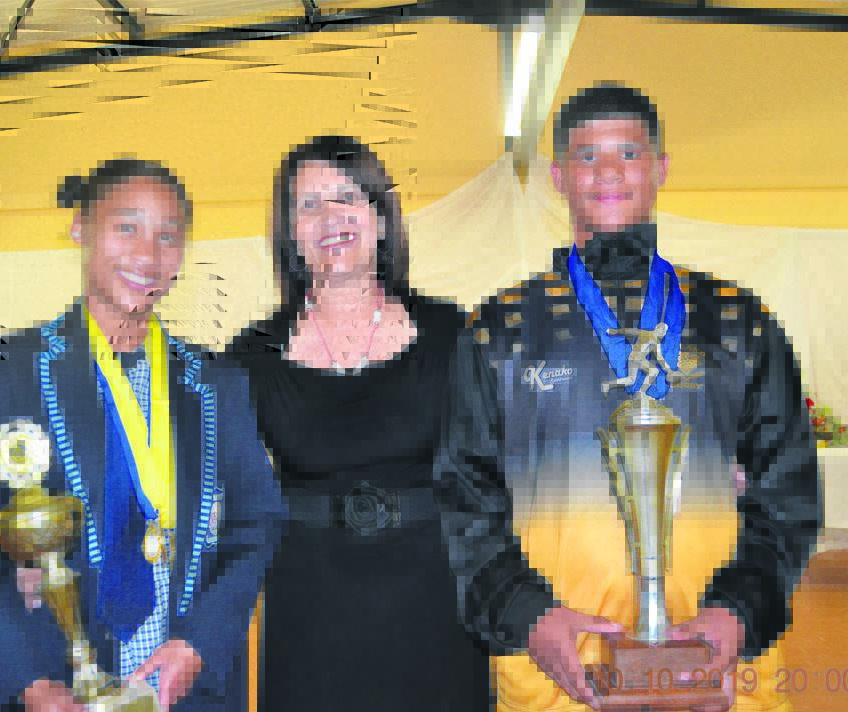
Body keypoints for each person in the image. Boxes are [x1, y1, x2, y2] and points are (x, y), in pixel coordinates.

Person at [471, 85, 823, 712]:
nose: (609, 171)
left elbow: (787, 490)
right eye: (587, 155)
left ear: (660, 168)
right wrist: (528, 616)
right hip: (557, 667)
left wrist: (740, 611)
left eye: (629, 153)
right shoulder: (501, 328)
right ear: (558, 176)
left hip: (712, 663)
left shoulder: (738, 320)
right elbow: (465, 495)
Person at [231, 135, 612, 712]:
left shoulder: (451, 333)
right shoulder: (252, 355)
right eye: (308, 205)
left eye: (348, 197)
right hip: (310, 610)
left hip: (435, 598)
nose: (330, 217)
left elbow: (532, 445)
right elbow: (203, 479)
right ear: (290, 234)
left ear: (381, 218)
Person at [0, 159, 285, 712]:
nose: (148, 255)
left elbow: (256, 523)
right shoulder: (16, 372)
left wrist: (199, 643)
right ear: (82, 227)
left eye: (168, 235)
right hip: (60, 684)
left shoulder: (214, 382)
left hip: (190, 687)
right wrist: (30, 683)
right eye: (127, 227)